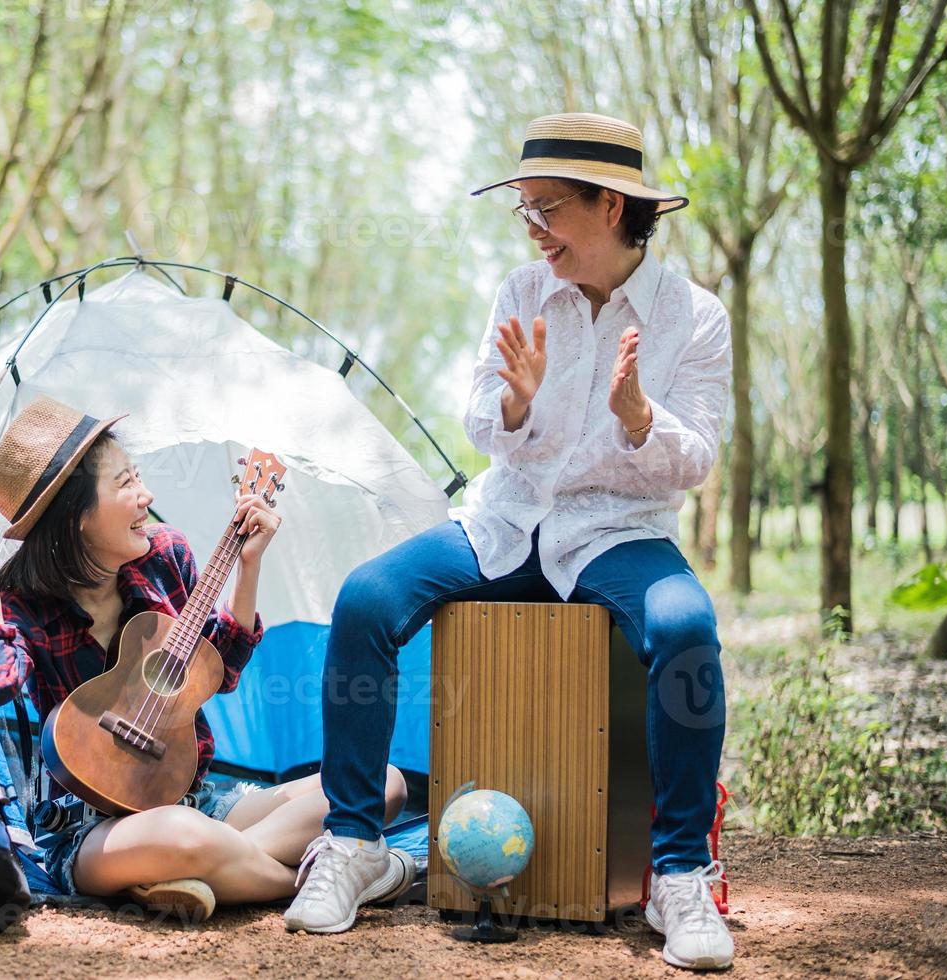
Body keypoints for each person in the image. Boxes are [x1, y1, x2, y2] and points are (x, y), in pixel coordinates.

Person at [283, 113, 735, 969]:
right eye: (523, 210)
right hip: (505, 522)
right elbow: (484, 418)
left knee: (686, 630)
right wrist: (517, 406)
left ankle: (679, 873)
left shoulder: (694, 318)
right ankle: (355, 847)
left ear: (610, 206)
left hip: (618, 533)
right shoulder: (522, 294)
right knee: (366, 599)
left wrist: (641, 420)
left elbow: (698, 458)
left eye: (547, 210)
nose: (533, 230)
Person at [0, 395, 413, 923]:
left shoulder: (166, 558)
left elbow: (222, 671)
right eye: (125, 484)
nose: (147, 495)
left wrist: (249, 567)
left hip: (193, 802)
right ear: (75, 516)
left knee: (383, 784)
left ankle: (195, 870)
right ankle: (316, 882)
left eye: (138, 476)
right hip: (86, 829)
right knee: (181, 835)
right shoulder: (21, 607)